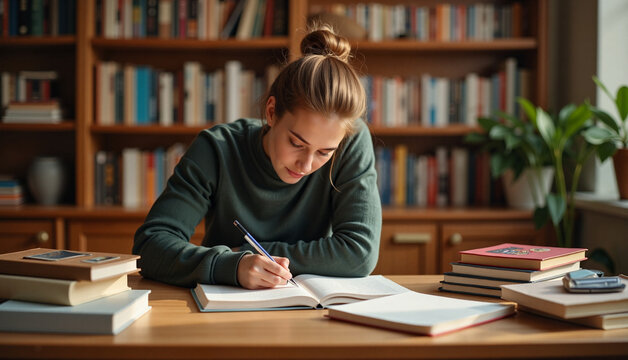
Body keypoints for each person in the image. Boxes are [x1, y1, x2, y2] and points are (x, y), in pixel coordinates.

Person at [133, 24, 382, 289]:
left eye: (324, 152)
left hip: (314, 312)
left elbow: (360, 253)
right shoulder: (217, 149)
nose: (307, 165)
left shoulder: (352, 140)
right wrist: (231, 266)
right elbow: (150, 246)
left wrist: (246, 252)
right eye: (296, 143)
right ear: (272, 112)